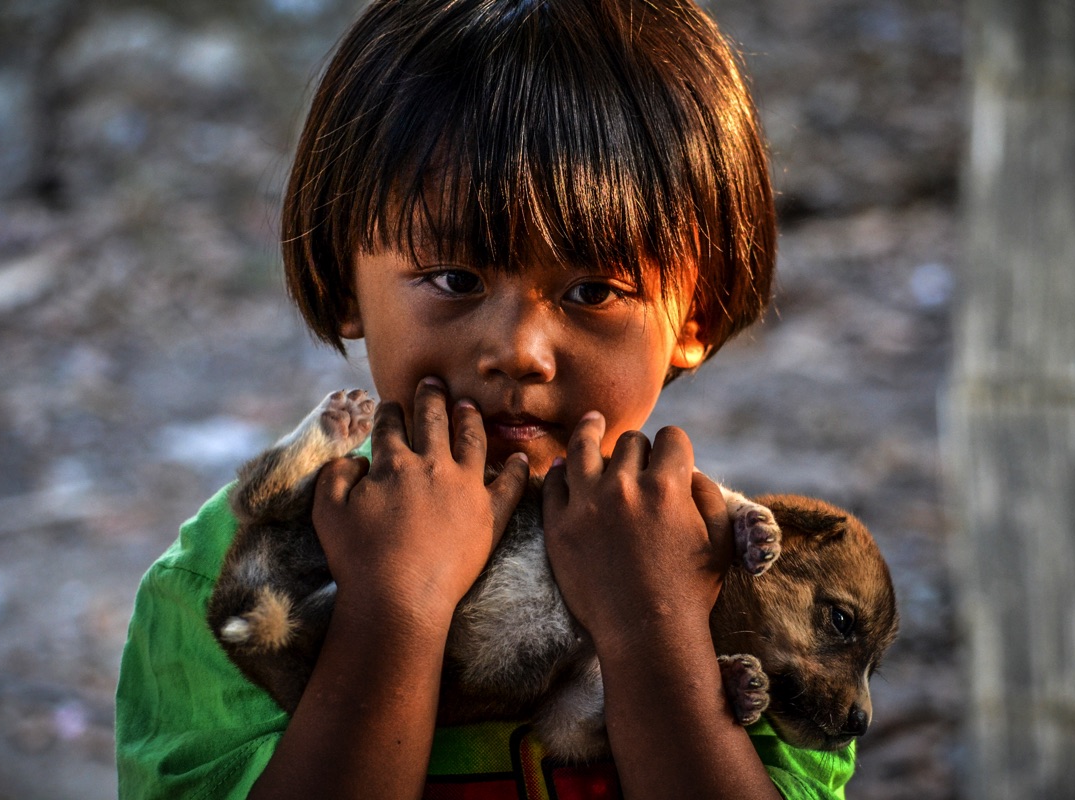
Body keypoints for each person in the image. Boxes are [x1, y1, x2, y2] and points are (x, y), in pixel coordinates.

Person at [116, 0, 856, 797]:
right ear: (344, 283)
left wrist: (655, 629)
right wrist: (397, 610)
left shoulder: (759, 584)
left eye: (594, 290)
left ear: (695, 315)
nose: (519, 352)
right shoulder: (232, 577)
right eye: (455, 280)